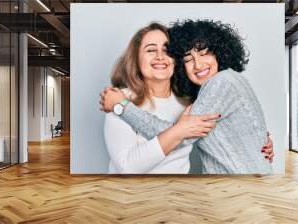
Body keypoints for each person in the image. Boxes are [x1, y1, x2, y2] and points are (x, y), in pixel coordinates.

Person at [101, 20, 274, 174]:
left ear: (219, 53)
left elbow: (181, 136)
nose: (198, 64)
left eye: (204, 53)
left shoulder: (222, 82)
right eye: (188, 59)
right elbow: (128, 166)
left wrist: (123, 108)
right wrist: (257, 137)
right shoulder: (193, 97)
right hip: (137, 197)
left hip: (238, 190)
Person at [103, 23, 219, 174]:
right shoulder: (119, 100)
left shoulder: (189, 101)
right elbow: (127, 167)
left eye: (167, 50)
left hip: (176, 193)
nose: (160, 57)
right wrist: (179, 131)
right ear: (136, 59)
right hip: (130, 194)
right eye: (151, 50)